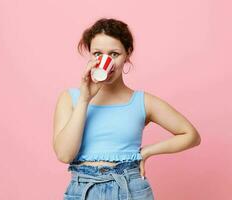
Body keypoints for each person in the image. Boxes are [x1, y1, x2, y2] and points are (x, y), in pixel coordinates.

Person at [53, 18, 201, 200]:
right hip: (83, 189)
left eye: (114, 54)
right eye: (97, 53)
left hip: (130, 188)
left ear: (127, 54)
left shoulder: (142, 102)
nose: (105, 61)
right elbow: (64, 154)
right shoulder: (71, 98)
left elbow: (191, 135)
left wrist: (147, 152)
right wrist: (85, 99)